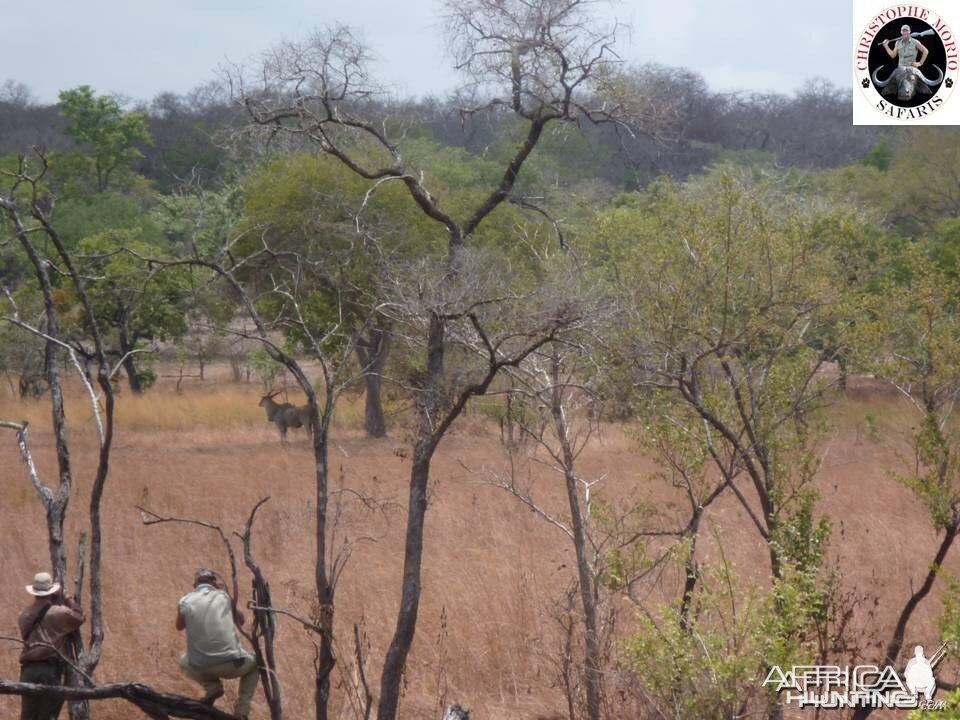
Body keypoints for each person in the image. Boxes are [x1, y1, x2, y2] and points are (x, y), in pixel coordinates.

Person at [177, 568, 258, 720]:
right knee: (256, 664)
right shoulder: (224, 596)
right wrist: (227, 596)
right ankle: (241, 712)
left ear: (195, 584)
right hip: (232, 664)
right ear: (214, 583)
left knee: (183, 661)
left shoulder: (185, 601)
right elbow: (240, 620)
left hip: (200, 666)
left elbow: (179, 626)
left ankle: (212, 687)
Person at [18, 571, 85, 720]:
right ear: (51, 592)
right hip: (49, 670)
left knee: (28, 716)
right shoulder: (58, 613)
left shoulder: (23, 615)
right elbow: (79, 616)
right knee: (48, 716)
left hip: (28, 670)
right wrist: (68, 598)